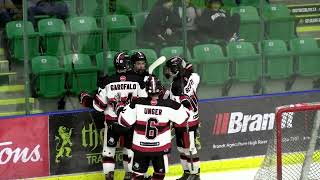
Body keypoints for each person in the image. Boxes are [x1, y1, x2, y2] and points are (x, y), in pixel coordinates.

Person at [80, 52, 147, 180]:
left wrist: (86, 99)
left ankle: (109, 177)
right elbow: (144, 102)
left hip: (112, 123)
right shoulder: (138, 80)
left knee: (108, 152)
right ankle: (130, 175)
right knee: (129, 151)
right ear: (128, 65)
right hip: (130, 122)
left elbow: (99, 106)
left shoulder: (107, 81)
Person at [118, 76, 190, 180]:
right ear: (160, 89)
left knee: (137, 175)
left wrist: (119, 106)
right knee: (159, 174)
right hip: (160, 148)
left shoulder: (136, 103)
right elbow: (185, 116)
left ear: (146, 90)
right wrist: (184, 101)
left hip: (140, 148)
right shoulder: (169, 105)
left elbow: (123, 121)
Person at [164, 56, 201, 180]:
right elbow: (194, 75)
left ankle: (196, 175)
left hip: (186, 121)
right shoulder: (192, 76)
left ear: (176, 69)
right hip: (189, 119)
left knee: (190, 149)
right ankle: (186, 173)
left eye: (169, 69)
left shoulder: (176, 86)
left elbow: (178, 104)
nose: (167, 72)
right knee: (182, 148)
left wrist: (164, 94)